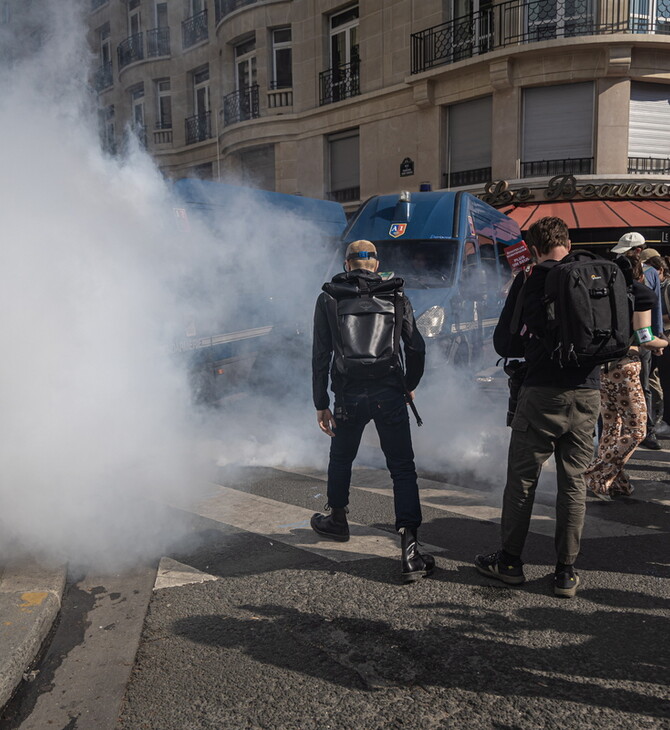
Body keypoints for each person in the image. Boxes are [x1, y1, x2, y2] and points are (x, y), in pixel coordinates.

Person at [475, 217, 602, 599]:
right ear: (568, 240)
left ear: (533, 248)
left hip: (542, 393)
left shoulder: (532, 279)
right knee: (574, 483)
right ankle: (565, 572)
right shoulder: (596, 274)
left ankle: (510, 562)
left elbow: (505, 343)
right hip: (588, 392)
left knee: (523, 481)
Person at [311, 239, 434, 583]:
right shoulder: (395, 295)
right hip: (389, 393)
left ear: (347, 264)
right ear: (375, 264)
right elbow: (417, 348)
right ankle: (410, 551)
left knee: (341, 458)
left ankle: (337, 519)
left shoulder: (329, 297)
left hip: (348, 395)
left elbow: (320, 355)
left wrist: (320, 402)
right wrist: (409, 383)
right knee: (402, 469)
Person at [585, 257, 665, 501]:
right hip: (625, 368)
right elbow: (644, 337)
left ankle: (617, 484)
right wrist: (664, 343)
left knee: (612, 427)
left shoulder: (598, 292)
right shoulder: (642, 294)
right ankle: (596, 474)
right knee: (638, 429)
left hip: (600, 367)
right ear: (639, 272)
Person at [610, 234, 665, 449]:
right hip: (630, 340)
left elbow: (656, 307)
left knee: (644, 385)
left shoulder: (650, 273)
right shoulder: (615, 270)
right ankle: (632, 431)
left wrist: (658, 336)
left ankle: (647, 430)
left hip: (642, 338)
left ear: (638, 250)